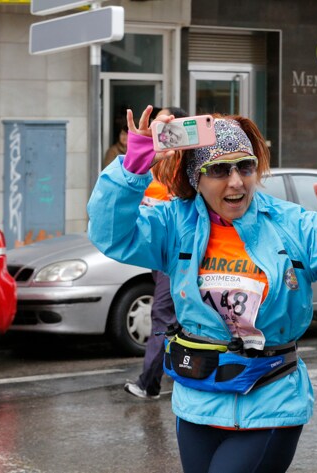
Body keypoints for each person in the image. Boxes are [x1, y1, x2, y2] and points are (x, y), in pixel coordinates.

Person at [87, 105, 317, 473]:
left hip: (269, 400)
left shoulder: (292, 224)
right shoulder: (175, 222)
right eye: (220, 170)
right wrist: (131, 170)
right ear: (196, 177)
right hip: (197, 400)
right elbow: (110, 235)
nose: (237, 181)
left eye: (246, 166)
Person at [125, 106, 188, 400]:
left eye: (168, 124)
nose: (160, 128)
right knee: (174, 315)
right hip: (158, 251)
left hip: (175, 252)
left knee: (163, 313)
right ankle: (185, 370)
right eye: (158, 123)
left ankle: (148, 382)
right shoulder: (154, 165)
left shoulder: (182, 160)